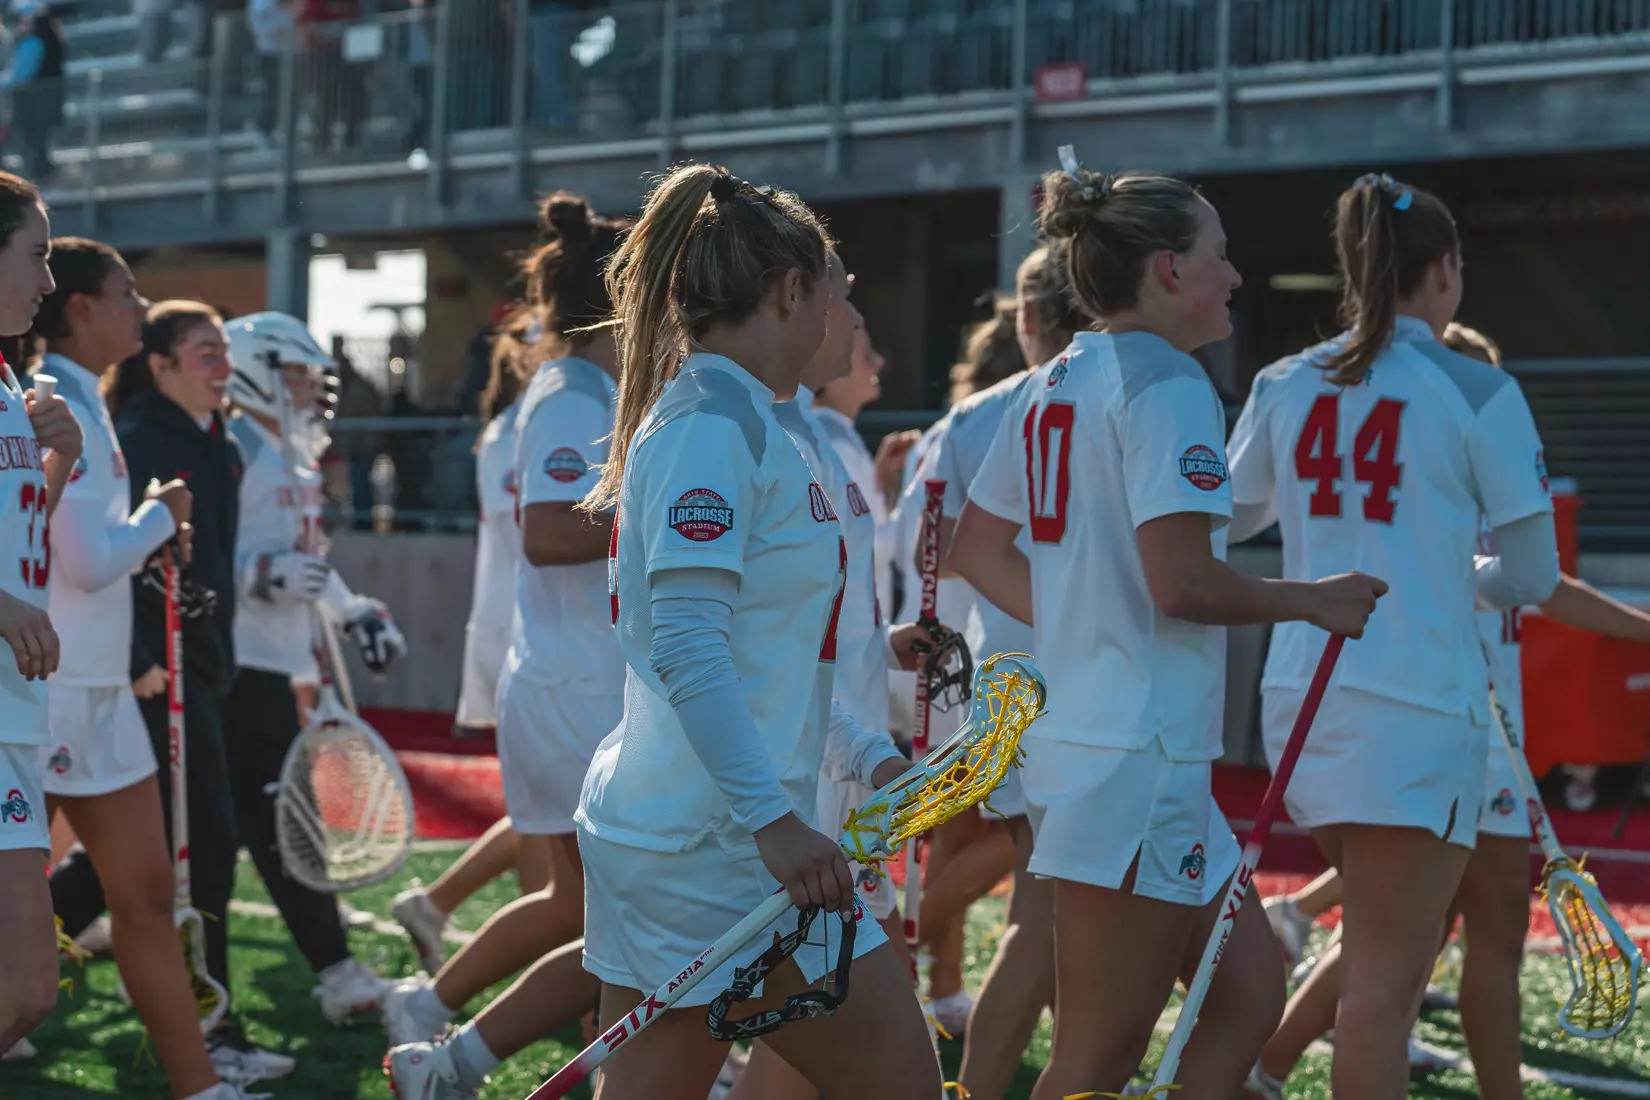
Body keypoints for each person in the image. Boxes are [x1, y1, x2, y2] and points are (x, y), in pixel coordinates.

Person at [950, 155, 1384, 1100]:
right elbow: (1181, 584)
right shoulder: (1171, 385)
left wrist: (1077, 619)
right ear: (1168, 270)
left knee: (1244, 996)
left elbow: (977, 551)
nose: (1236, 275)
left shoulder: (1055, 379)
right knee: (1097, 1055)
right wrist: (1312, 598)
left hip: (1116, 750)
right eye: (1220, 254)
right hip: (1130, 758)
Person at [579, 163, 936, 1099]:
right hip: (716, 850)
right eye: (837, 295)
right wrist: (776, 823)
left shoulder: (753, 423)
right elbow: (688, 646)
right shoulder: (713, 427)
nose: (840, 316)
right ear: (790, 291)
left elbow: (770, 663)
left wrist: (861, 752)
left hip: (703, 835)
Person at [1244, 321, 1650, 1100]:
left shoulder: (1463, 496)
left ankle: (1267, 1058)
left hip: (1461, 726)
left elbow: (1540, 585)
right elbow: (1538, 584)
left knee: (1405, 936)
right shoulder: (1445, 503)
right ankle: (1275, 1055)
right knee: (1460, 938)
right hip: (1463, 731)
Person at [1224, 173, 1558, 1100]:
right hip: (1418, 706)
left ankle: (1260, 1068)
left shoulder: (1284, 381)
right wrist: (1455, 583)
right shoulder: (1478, 389)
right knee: (1383, 985)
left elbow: (1226, 517)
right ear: (1445, 269)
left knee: (1374, 956)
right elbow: (1530, 576)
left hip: (1302, 702)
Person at [381, 193, 628, 1065]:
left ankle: (428, 1010)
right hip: (574, 685)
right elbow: (551, 529)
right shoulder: (570, 394)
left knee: (579, 907)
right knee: (623, 913)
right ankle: (470, 1048)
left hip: (571, 676)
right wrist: (670, 515)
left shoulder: (587, 390)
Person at [20, 237, 249, 1100]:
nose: (140, 305)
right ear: (81, 308)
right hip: (46, 692)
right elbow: (82, 560)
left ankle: (201, 1087)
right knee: (23, 952)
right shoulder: (50, 397)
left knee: (148, 899)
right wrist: (163, 514)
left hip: (94, 690)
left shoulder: (84, 397)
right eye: (127, 292)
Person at [727, 251, 953, 1100]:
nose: (860, 331)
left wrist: (884, 654)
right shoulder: (750, 439)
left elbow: (825, 625)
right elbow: (733, 659)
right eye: (848, 309)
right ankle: (461, 1051)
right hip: (785, 790)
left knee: (809, 1032)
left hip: (822, 766)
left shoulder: (815, 442)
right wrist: (852, 757)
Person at [48, 300, 294, 1082]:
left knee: (152, 879)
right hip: (98, 681)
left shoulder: (193, 432)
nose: (222, 366)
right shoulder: (106, 418)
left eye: (227, 350)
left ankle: (203, 1060)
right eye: (204, 351)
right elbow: (91, 561)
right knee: (171, 865)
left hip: (150, 675)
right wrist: (140, 649)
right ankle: (209, 1039)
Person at [221, 310, 405, 1028]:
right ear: (257, 370)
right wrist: (259, 572)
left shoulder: (291, 457)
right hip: (240, 662)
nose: (308, 387)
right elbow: (202, 551)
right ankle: (336, 970)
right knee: (276, 821)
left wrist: (355, 611)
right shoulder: (236, 448)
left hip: (280, 659)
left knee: (241, 825)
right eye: (296, 372)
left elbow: (310, 560)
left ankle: (52, 931)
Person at [930, 245, 1084, 1100]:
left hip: (1003, 668)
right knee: (1051, 908)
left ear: (1025, 319)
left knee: (1043, 903)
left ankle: (1021, 1073)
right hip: (1084, 676)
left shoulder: (973, 417)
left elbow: (940, 555)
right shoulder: (1120, 396)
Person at [393, 315, 533, 975]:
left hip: (534, 639)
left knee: (554, 822)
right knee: (558, 841)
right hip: (529, 641)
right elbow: (548, 538)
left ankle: (436, 904)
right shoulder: (523, 430)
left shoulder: (525, 426)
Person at [0, 171, 80, 1055]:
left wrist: (60, 463)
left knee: (22, 995)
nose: (48, 282)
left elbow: (14, 544)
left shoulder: (7, 377)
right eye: (37, 255)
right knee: (24, 987)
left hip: (15, 714)